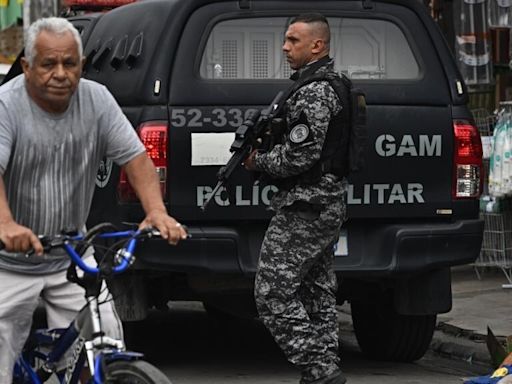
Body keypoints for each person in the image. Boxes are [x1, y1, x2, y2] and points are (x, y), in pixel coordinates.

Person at [0, 17, 187, 383]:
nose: (60, 73)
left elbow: (135, 158)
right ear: (26, 67)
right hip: (8, 262)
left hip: (70, 253)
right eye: (48, 64)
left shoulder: (97, 99)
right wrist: (5, 224)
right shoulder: (7, 106)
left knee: (104, 343)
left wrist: (156, 212)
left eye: (69, 64)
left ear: (82, 66)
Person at [244, 13, 348, 384]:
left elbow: (298, 156)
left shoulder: (315, 90)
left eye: (293, 40)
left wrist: (260, 161)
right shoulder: (331, 84)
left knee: (271, 294)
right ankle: (323, 370)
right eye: (286, 40)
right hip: (323, 204)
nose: (285, 47)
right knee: (317, 293)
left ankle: (319, 369)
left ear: (317, 45)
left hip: (306, 206)